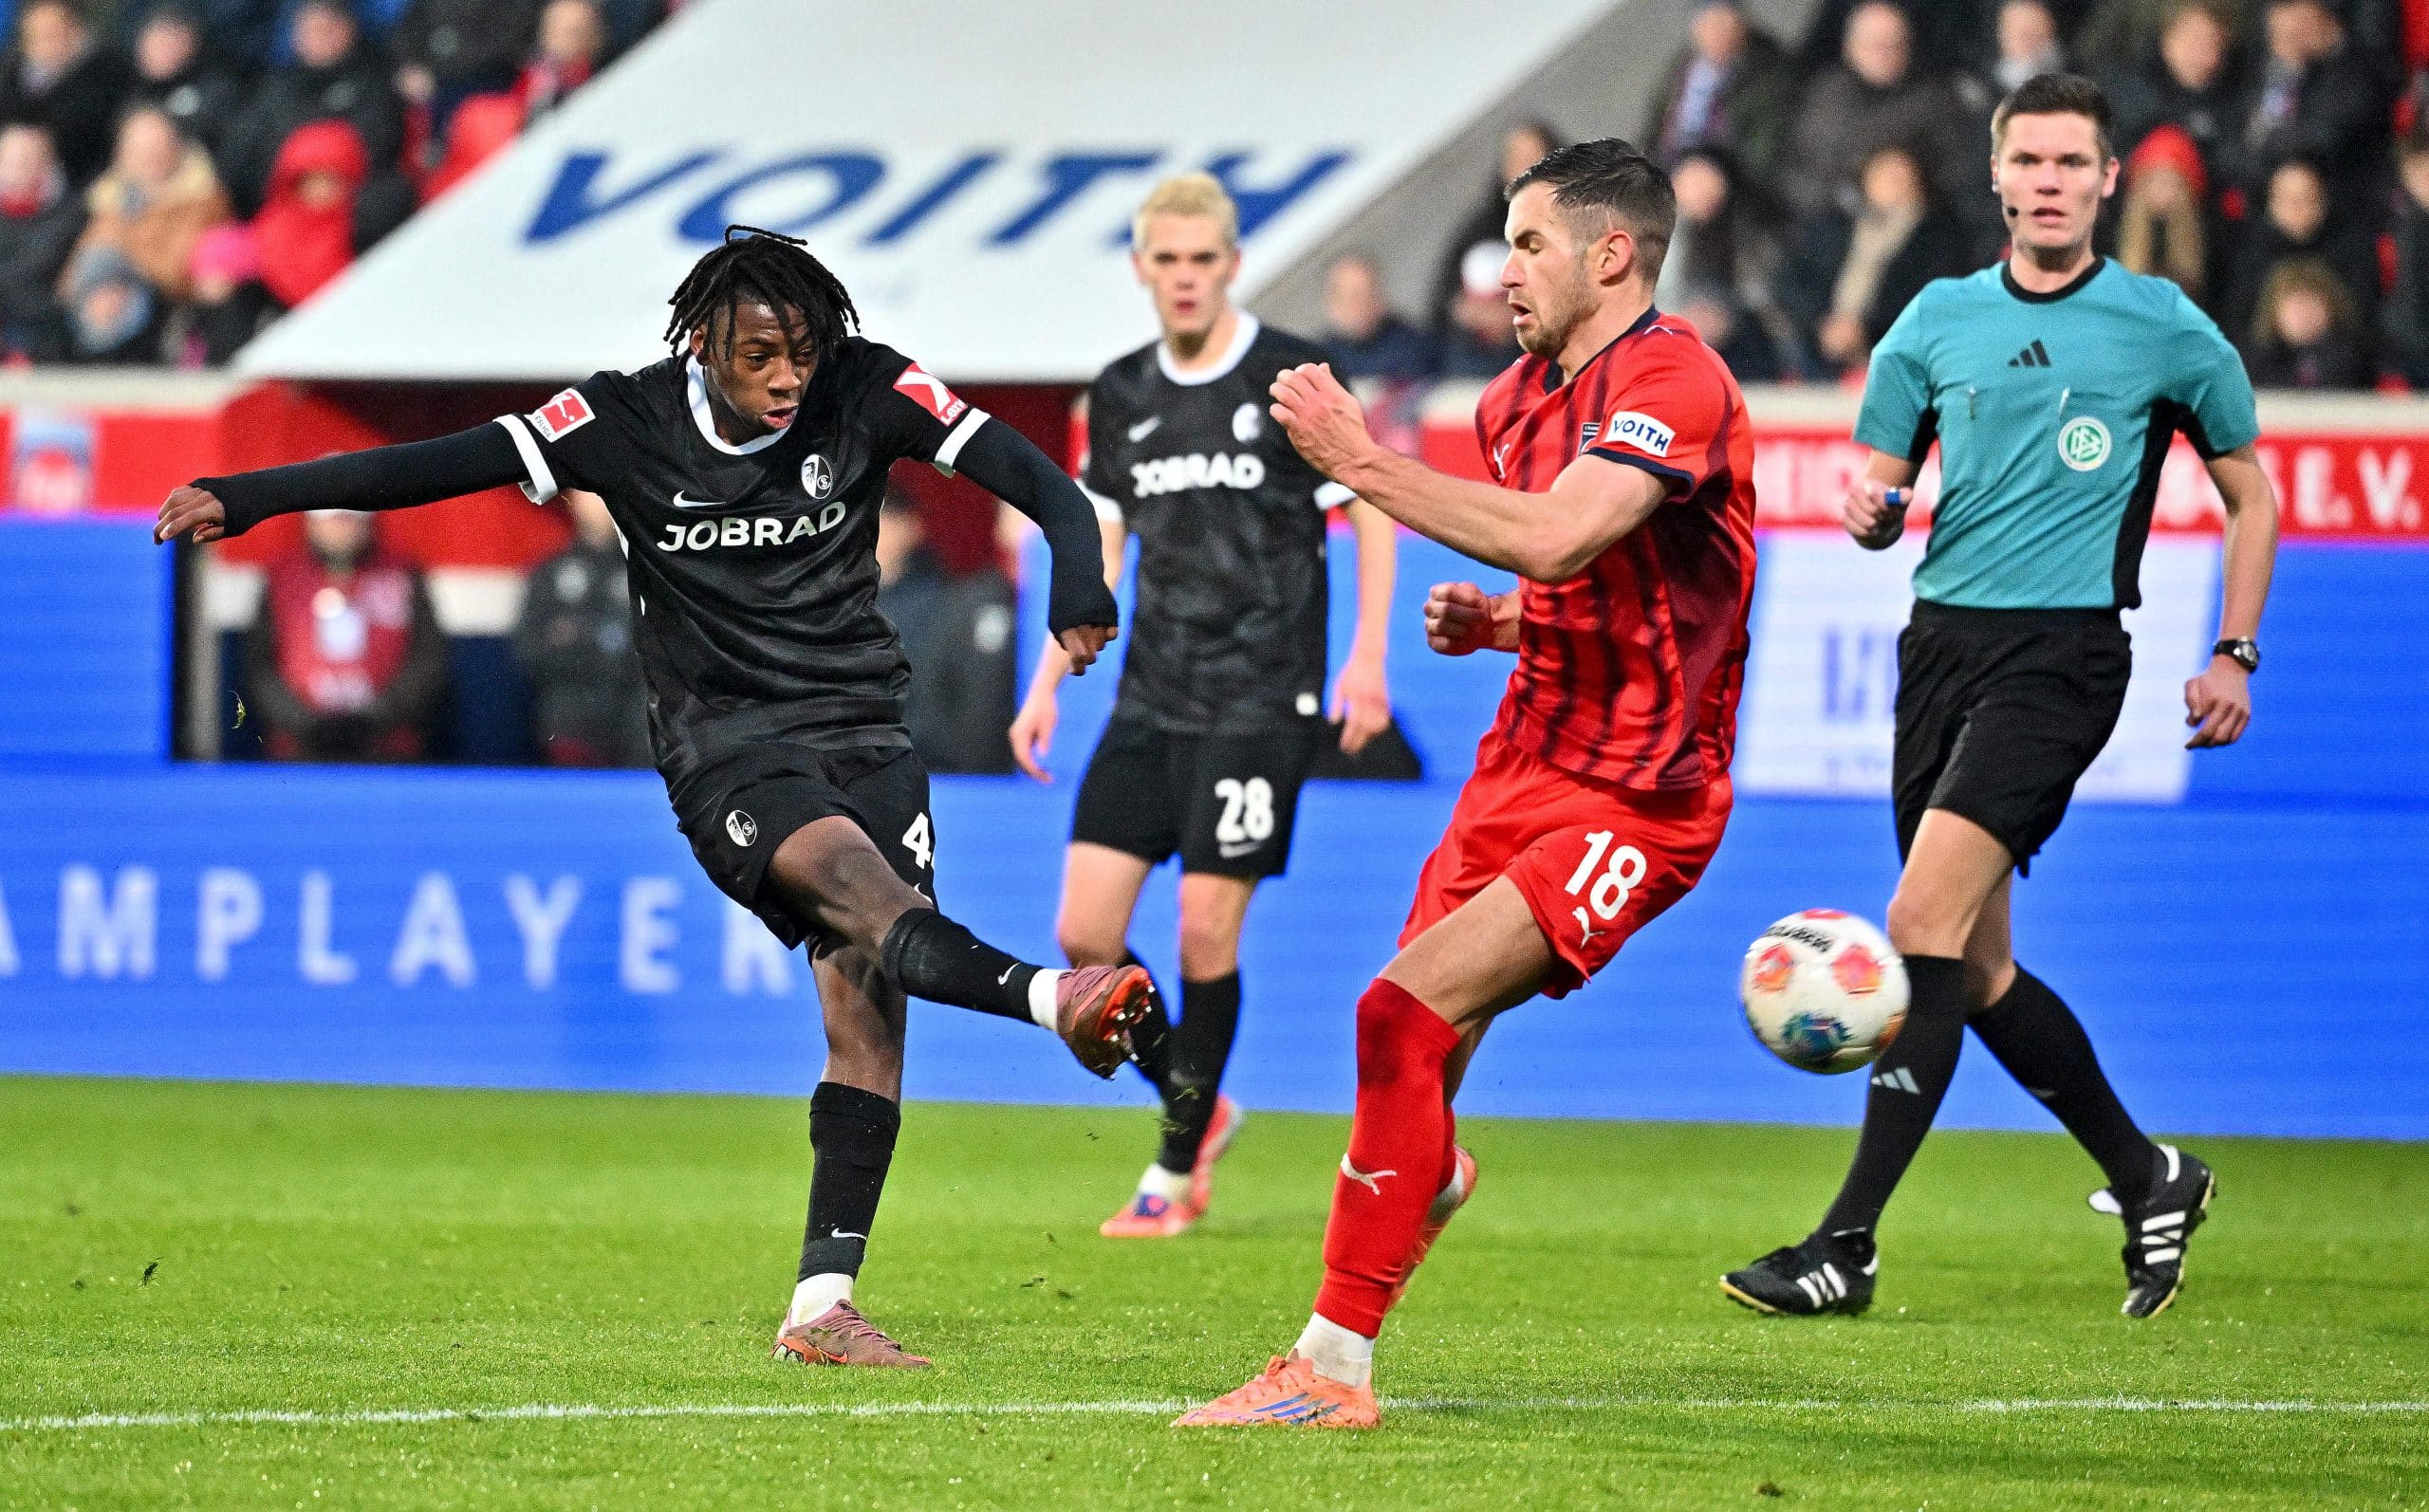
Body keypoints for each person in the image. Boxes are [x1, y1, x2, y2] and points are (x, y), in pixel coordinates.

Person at [155, 225, 1159, 1370]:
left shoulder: (868, 385)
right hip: (731, 750)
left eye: (804, 350)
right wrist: (252, 495)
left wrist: (1076, 576)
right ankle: (1054, 998)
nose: (789, 376)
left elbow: (1038, 482)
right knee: (872, 905)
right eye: (762, 354)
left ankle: (821, 1307)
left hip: (868, 737)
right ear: (702, 343)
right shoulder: (622, 422)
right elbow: (436, 462)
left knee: (870, 1013)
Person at [1176, 138, 1758, 1429]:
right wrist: (1507, 625)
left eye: (1532, 242)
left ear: (1612, 254)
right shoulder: (1510, 404)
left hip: (1639, 796)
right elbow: (1587, 578)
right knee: (1413, 1065)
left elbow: (1563, 531)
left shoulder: (1679, 378)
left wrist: (1359, 460)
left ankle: (1329, 1370)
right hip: (1518, 764)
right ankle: (1416, 1192)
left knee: (1397, 1014)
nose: (1504, 268)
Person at [1720, 74, 2279, 1323]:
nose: (2047, 181)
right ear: (1995, 176)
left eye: (2071, 162)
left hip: (2065, 658)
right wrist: (1868, 511)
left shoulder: (2163, 324)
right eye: (2028, 160)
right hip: (1939, 653)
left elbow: (2255, 494)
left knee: (1917, 920)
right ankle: (2151, 1174)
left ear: (2106, 180)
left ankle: (1843, 1246)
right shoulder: (1932, 321)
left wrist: (2235, 650)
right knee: (1972, 970)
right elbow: (1875, 492)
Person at [1010, 174, 1398, 1240]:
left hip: (1262, 696)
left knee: (1200, 926)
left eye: (1201, 260)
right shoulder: (1122, 391)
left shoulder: (1288, 377)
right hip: (1151, 694)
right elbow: (1102, 548)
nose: (1183, 278)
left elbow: (1367, 508)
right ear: (1141, 269)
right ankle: (1197, 1092)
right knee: (1084, 934)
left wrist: (1368, 660)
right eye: (1164, 260)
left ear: (1231, 264)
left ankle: (1173, 1169)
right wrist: (1048, 680)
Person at [245, 508, 448, 762]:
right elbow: (261, 667)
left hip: (388, 753)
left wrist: (377, 717)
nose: (341, 528)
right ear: (310, 523)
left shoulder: (402, 573)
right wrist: (304, 723)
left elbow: (427, 661)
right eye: (331, 520)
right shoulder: (282, 575)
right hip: (298, 754)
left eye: (350, 519)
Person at [1788, 141, 1975, 378]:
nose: (1890, 183)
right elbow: (1793, 280)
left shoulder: (1939, 237)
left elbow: (1932, 299)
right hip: (1821, 344)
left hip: (1895, 350)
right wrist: (1821, 324)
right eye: (1882, 173)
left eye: (1900, 175)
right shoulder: (1834, 227)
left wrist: (1864, 330)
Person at [511, 486, 650, 766]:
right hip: (569, 716)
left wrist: (578, 638)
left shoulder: (647, 572)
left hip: (635, 719)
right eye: (589, 493)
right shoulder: (550, 572)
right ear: (572, 499)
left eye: (604, 492)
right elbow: (528, 651)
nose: (599, 503)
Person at [1641, 2, 1799, 193]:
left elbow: (1762, 152)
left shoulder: (1768, 73)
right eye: (1706, 24)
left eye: (1723, 23)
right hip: (1671, 164)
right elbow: (1656, 123)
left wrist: (1712, 172)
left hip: (1721, 179)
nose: (1716, 33)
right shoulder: (1686, 66)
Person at [0, 0, 130, 188]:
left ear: (76, 31)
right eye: (36, 36)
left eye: (53, 34)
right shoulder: (15, 73)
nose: (45, 44)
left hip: (81, 181)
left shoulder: (106, 72)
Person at [0, 122, 82, 360]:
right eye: (12, 158)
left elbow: (37, 270)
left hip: (45, 324)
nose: (20, 166)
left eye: (28, 158)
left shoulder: (69, 213)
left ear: (48, 165)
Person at [2241, 254, 2369, 387]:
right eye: (2293, 304)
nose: (2303, 313)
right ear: (2273, 312)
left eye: (2311, 302)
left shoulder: (2356, 359)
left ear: (2332, 307)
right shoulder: (2253, 363)